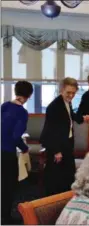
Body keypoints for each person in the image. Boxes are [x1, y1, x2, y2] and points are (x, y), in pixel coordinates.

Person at [40, 78, 89, 196]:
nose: (71, 95)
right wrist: (56, 151)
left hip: (67, 144)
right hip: (56, 147)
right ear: (61, 90)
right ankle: (51, 205)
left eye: (74, 93)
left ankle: (65, 200)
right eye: (68, 92)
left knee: (68, 176)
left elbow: (70, 115)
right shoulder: (54, 107)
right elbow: (51, 131)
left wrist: (82, 118)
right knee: (55, 178)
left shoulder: (66, 102)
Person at [1, 81, 33, 224]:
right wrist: (25, 148)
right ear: (29, 95)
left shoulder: (4, 106)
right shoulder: (22, 113)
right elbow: (15, 136)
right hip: (7, 153)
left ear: (16, 91)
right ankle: (6, 217)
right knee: (9, 186)